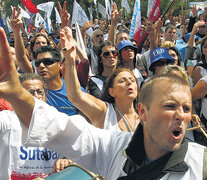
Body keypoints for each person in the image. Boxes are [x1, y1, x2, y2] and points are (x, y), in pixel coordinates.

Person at [0, 28, 206, 179]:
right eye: (170, 106)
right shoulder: (115, 148)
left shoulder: (201, 165)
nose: (181, 115)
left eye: (186, 108)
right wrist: (18, 94)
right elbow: (58, 128)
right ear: (143, 111)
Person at [61, 27, 140, 131]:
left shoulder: (146, 114)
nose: (129, 82)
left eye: (132, 80)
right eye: (122, 81)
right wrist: (70, 60)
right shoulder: (104, 113)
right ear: (111, 91)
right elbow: (75, 96)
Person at [0, 73, 61, 179]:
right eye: (30, 93)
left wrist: (66, 159)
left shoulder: (58, 121)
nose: (36, 96)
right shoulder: (6, 120)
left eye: (40, 92)